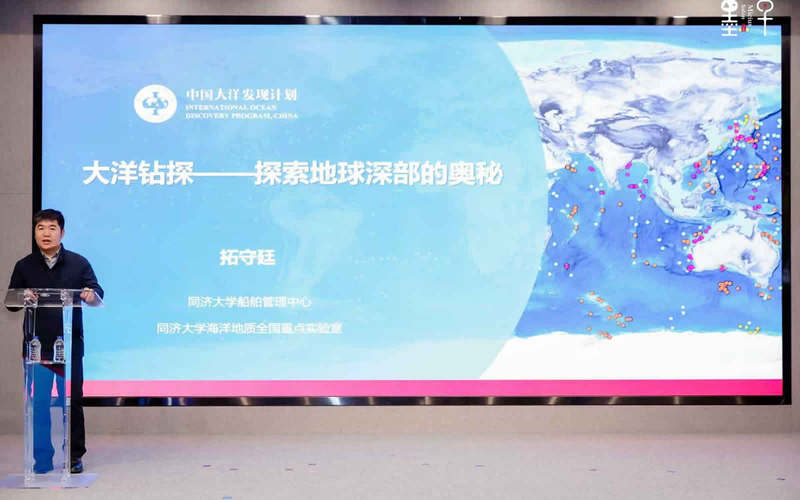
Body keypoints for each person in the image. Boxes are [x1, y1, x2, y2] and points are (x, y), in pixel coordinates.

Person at [6, 209, 103, 474]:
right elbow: (11, 302)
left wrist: (90, 295)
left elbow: (97, 293)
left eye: (51, 228)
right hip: (36, 349)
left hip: (70, 347)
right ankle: (42, 458)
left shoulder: (78, 263)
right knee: (38, 404)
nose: (46, 233)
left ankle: (73, 456)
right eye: (40, 228)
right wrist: (22, 296)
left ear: (62, 232)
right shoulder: (24, 265)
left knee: (71, 402)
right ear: (34, 232)